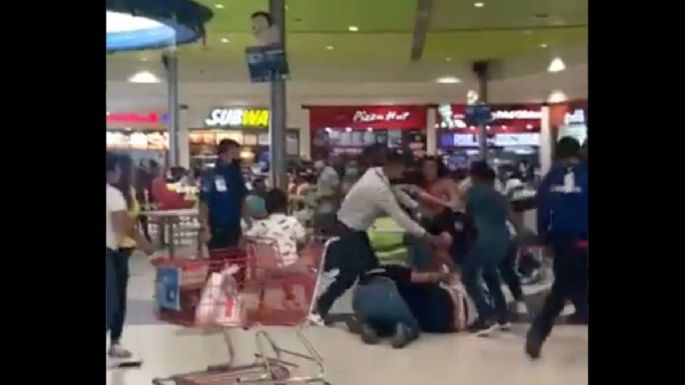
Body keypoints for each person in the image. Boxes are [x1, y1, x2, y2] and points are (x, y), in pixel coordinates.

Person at [312, 151, 447, 326]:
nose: (403, 172)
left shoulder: (376, 173)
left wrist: (417, 207)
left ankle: (363, 308)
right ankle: (326, 309)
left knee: (370, 271)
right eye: (401, 169)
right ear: (393, 166)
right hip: (349, 231)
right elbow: (400, 217)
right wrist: (429, 237)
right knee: (357, 274)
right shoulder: (376, 188)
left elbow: (397, 193)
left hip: (354, 229)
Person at [526, 137, 588, 359]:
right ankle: (538, 331)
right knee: (575, 287)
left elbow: (544, 209)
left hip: (563, 241)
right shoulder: (585, 173)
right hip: (584, 238)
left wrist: (545, 239)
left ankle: (538, 332)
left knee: (562, 288)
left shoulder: (551, 177)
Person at [110, 154, 153, 358]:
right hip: (113, 249)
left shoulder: (129, 193)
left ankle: (116, 340)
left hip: (124, 249)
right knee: (114, 297)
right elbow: (125, 225)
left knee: (119, 296)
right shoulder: (114, 195)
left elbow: (132, 222)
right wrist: (146, 245)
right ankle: (115, 341)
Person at [461, 162, 513, 335]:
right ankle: (503, 315)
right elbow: (511, 217)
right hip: (502, 239)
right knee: (491, 275)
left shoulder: (473, 192)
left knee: (468, 275)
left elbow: (467, 218)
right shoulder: (500, 196)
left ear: (475, 177)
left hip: (482, 239)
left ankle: (486, 315)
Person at [352, 265, 452, 348]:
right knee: (411, 322)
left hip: (363, 300)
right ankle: (405, 329)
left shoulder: (367, 268)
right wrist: (440, 276)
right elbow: (418, 278)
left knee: (378, 321)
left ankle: (370, 326)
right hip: (389, 298)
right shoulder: (396, 267)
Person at [199, 139, 248, 250]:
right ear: (222, 155)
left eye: (238, 154)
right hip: (216, 226)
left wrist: (249, 223)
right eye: (234, 154)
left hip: (235, 227)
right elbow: (203, 202)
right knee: (217, 262)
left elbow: (243, 200)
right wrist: (205, 227)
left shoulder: (237, 175)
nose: (237, 158)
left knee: (238, 261)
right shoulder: (211, 175)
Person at [106, 154, 127, 336]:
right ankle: (114, 340)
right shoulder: (113, 195)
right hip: (109, 253)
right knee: (111, 301)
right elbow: (120, 227)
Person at [312, 157, 341, 235]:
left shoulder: (331, 174)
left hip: (328, 208)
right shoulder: (321, 174)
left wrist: (324, 197)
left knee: (327, 232)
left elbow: (338, 192)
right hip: (320, 207)